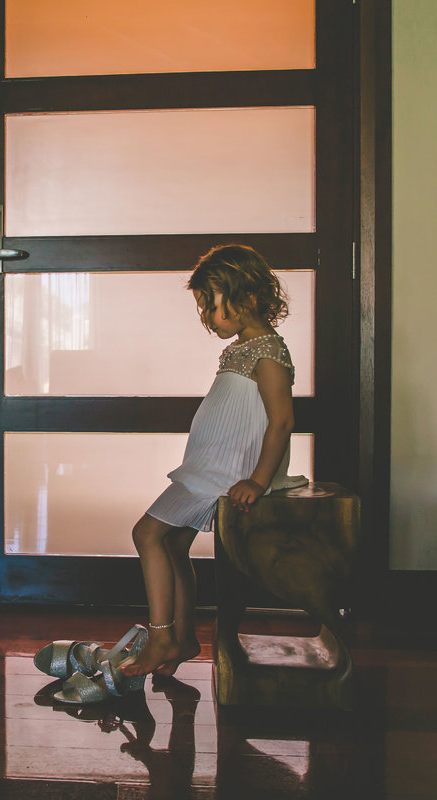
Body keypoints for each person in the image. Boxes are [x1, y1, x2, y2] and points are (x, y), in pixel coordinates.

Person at [120, 244, 305, 678]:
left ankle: (162, 635)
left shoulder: (269, 351)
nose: (205, 317)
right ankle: (183, 638)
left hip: (228, 473)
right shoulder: (241, 347)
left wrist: (258, 481)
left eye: (210, 305)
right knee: (172, 542)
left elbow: (280, 422)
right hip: (208, 466)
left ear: (247, 300)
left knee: (147, 534)